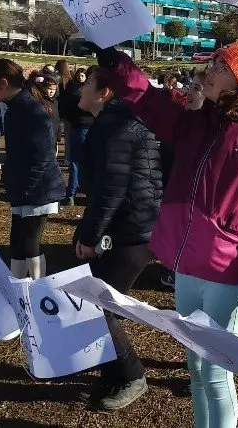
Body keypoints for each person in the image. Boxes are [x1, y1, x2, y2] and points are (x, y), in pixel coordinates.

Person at [92, 40, 238, 428]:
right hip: (187, 265)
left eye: (221, 65)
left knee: (217, 371)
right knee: (195, 366)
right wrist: (116, 64)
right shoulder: (198, 121)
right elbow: (149, 101)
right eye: (214, 62)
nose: (210, 70)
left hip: (227, 270)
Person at [73, 66, 162, 410]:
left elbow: (111, 190)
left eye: (88, 83)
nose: (81, 89)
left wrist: (90, 235)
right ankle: (111, 375)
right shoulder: (112, 123)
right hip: (125, 227)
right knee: (93, 303)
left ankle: (132, 375)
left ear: (105, 92)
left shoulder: (117, 127)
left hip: (132, 232)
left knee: (99, 307)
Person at [0, 59, 65, 280]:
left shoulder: (29, 109)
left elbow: (43, 156)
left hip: (39, 189)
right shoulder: (15, 106)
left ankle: (38, 290)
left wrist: (26, 188)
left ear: (3, 83)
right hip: (25, 188)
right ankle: (17, 285)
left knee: (30, 242)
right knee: (17, 241)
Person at [59, 68, 93, 206]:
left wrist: (71, 120)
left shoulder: (74, 91)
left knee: (76, 162)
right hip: (89, 126)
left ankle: (71, 194)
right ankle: (88, 193)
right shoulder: (92, 92)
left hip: (80, 127)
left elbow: (66, 109)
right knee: (89, 162)